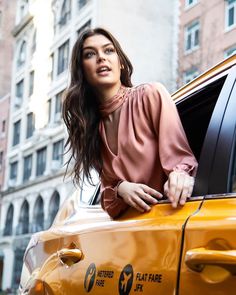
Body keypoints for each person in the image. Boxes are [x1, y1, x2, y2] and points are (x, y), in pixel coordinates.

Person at [62, 27, 198, 218]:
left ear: (121, 64)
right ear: (82, 71)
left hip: (168, 223)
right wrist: (120, 189)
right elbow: (109, 203)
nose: (101, 58)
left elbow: (181, 161)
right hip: (129, 236)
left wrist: (180, 175)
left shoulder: (150, 95)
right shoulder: (91, 129)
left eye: (108, 50)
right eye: (90, 54)